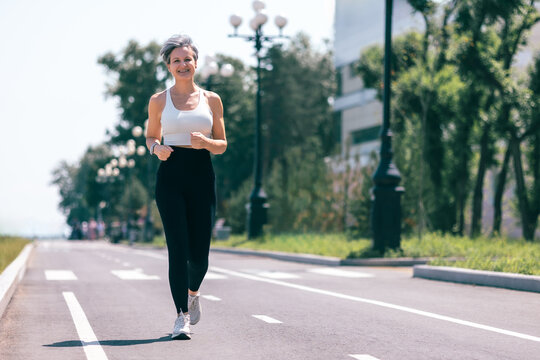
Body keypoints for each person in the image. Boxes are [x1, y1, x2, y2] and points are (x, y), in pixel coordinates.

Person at [146, 34, 227, 340]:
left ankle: (193, 293)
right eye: (176, 60)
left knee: (200, 256)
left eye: (187, 59)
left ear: (196, 62)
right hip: (170, 176)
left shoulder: (212, 100)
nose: (183, 64)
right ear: (169, 65)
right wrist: (157, 149)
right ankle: (181, 316)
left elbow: (222, 144)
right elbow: (151, 136)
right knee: (177, 250)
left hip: (201, 174)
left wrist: (206, 142)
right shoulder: (158, 101)